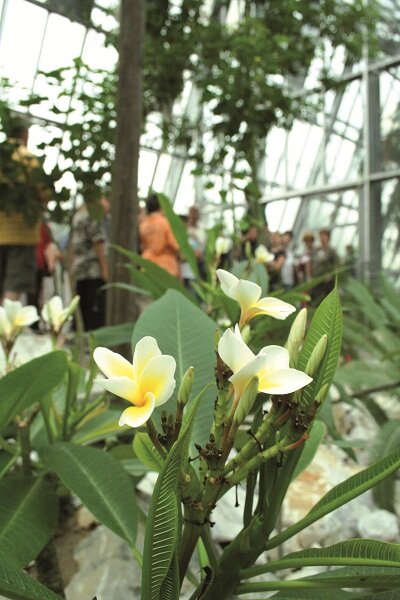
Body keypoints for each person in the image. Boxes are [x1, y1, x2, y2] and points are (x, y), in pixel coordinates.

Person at [0, 117, 51, 301]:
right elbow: (44, 195)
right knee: (13, 285)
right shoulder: (29, 160)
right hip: (21, 234)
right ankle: (6, 329)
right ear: (25, 134)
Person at [70, 196, 110, 330]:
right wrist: (105, 269)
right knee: (95, 309)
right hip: (93, 269)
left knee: (83, 307)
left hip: (80, 268)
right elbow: (97, 242)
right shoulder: (94, 215)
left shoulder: (78, 215)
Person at [139, 193, 180, 277]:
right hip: (165, 266)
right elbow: (175, 245)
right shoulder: (166, 223)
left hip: (146, 264)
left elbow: (142, 246)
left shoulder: (143, 224)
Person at [311, 228, 339, 305]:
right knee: (316, 300)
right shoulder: (316, 250)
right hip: (316, 279)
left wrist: (330, 274)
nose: (322, 238)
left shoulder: (331, 250)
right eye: (321, 236)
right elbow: (311, 263)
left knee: (325, 301)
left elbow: (336, 264)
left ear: (328, 237)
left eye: (324, 236)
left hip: (327, 281)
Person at [180, 206, 205, 290]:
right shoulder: (184, 230)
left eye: (195, 214)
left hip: (194, 270)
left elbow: (200, 252)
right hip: (182, 270)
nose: (193, 216)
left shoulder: (201, 231)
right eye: (191, 213)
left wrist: (186, 256)